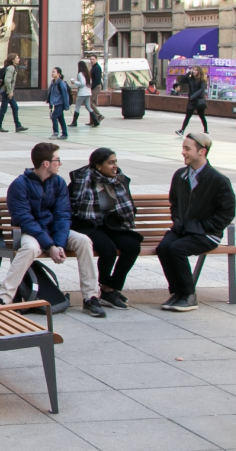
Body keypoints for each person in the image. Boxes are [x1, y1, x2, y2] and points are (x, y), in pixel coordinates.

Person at [0, 141, 105, 318]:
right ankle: (3, 298)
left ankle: (91, 297)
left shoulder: (59, 183)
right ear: (46, 163)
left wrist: (59, 244)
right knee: (30, 248)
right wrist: (50, 246)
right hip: (31, 233)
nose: (60, 163)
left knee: (84, 241)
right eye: (57, 159)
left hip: (54, 233)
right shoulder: (20, 185)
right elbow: (25, 220)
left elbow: (63, 215)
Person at [156, 130, 235, 311]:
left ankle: (190, 295)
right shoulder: (180, 175)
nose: (183, 152)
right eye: (183, 148)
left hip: (207, 234)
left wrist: (202, 227)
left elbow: (227, 212)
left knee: (176, 249)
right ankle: (178, 293)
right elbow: (174, 202)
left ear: (202, 151)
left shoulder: (218, 180)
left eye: (187, 149)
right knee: (163, 248)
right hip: (183, 229)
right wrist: (178, 221)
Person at [69, 147, 141, 309]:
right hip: (87, 224)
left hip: (111, 224)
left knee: (132, 245)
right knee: (108, 249)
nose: (115, 166)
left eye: (115, 162)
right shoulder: (81, 180)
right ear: (98, 166)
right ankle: (106, 288)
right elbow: (72, 208)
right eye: (110, 163)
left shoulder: (119, 180)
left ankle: (110, 288)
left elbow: (128, 207)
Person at [0, 52, 27, 133]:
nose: (18, 59)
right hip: (6, 91)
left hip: (6, 90)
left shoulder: (11, 67)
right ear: (13, 60)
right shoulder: (11, 68)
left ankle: (18, 125)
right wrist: (10, 92)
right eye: (17, 58)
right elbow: (7, 80)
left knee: (15, 107)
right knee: (4, 109)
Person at [177, 66, 209, 136]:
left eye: (196, 70)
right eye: (193, 70)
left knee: (202, 116)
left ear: (199, 72)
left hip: (199, 99)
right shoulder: (190, 78)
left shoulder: (202, 80)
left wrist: (193, 96)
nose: (194, 71)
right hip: (191, 100)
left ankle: (206, 130)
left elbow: (201, 89)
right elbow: (182, 81)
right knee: (188, 116)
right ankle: (182, 130)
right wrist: (188, 73)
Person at [72, 61, 100, 128]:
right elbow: (89, 82)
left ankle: (74, 122)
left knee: (77, 107)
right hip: (88, 92)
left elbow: (82, 84)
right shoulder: (88, 73)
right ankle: (96, 121)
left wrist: (74, 82)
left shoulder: (80, 74)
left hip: (82, 92)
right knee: (88, 107)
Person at [47, 66, 71, 139]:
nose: (52, 73)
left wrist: (66, 106)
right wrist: (50, 104)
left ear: (59, 74)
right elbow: (51, 94)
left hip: (60, 103)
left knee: (54, 116)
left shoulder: (61, 83)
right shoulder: (53, 83)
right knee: (61, 119)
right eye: (52, 72)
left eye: (54, 72)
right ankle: (64, 134)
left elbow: (65, 95)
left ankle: (55, 133)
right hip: (56, 104)